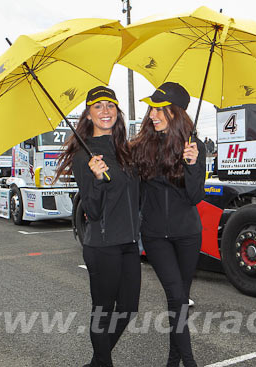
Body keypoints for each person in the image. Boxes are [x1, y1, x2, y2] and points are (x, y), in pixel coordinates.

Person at [55, 86, 140, 367]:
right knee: (103, 311)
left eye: (111, 106)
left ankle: (97, 361)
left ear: (118, 112)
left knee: (128, 309)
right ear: (88, 115)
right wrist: (97, 179)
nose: (106, 111)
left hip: (128, 242)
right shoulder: (84, 155)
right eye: (98, 106)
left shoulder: (124, 150)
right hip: (102, 244)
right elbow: (91, 209)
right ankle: (103, 362)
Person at [132, 82, 206, 367]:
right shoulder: (140, 146)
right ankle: (189, 362)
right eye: (152, 108)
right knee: (177, 296)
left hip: (188, 234)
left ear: (176, 113)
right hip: (154, 236)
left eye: (160, 109)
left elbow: (195, 196)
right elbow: (133, 191)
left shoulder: (193, 147)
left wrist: (193, 165)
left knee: (179, 301)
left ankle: (172, 361)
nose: (153, 114)